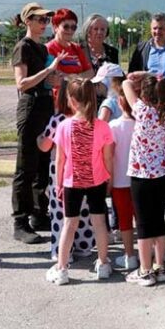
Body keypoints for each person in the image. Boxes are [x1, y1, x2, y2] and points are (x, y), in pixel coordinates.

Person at [46, 79, 114, 286]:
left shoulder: (64, 126)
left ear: (72, 101)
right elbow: (108, 157)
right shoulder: (103, 127)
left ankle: (62, 268)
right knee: (99, 223)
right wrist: (109, 178)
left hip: (71, 182)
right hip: (97, 180)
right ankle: (103, 263)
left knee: (69, 224)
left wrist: (58, 184)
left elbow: (60, 159)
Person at [11, 2, 66, 244]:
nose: (44, 24)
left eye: (46, 20)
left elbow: (47, 82)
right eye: (40, 20)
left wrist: (56, 80)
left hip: (44, 105)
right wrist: (49, 72)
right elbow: (21, 83)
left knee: (43, 164)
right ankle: (20, 221)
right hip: (30, 106)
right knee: (26, 166)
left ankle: (38, 213)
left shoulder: (42, 49)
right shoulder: (23, 47)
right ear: (28, 21)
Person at [122, 72, 165, 287]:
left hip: (141, 174)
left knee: (143, 224)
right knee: (158, 221)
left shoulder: (142, 110)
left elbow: (125, 83)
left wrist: (141, 74)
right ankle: (159, 266)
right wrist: (153, 77)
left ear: (144, 94)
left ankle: (145, 270)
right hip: (162, 172)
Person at [37, 81, 97, 261]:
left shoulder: (58, 120)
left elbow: (45, 146)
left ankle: (61, 251)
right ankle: (84, 245)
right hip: (85, 171)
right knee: (83, 210)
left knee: (60, 213)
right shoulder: (91, 120)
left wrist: (39, 137)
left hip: (62, 172)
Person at [108, 93, 138, 271]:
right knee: (141, 219)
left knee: (124, 222)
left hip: (119, 180)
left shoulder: (114, 126)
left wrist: (109, 180)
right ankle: (145, 252)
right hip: (139, 179)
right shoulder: (141, 124)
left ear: (119, 102)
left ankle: (129, 255)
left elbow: (109, 157)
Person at [127, 13, 165, 84]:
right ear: (150, 29)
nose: (157, 32)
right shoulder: (141, 49)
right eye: (154, 28)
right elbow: (132, 72)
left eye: (161, 28)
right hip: (147, 93)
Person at [45, 8, 93, 82]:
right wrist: (80, 77)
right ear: (55, 27)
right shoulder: (48, 49)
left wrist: (73, 77)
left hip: (78, 92)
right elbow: (56, 77)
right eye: (66, 27)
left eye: (73, 27)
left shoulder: (76, 48)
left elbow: (90, 72)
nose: (70, 30)